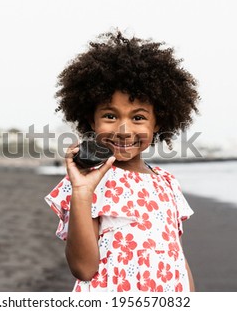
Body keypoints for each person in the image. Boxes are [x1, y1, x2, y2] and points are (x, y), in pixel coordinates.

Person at [45, 30, 200, 292]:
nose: (124, 130)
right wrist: (82, 193)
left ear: (157, 122)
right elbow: (83, 268)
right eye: (110, 116)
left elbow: (177, 257)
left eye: (138, 118)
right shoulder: (87, 181)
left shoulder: (167, 183)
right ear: (91, 120)